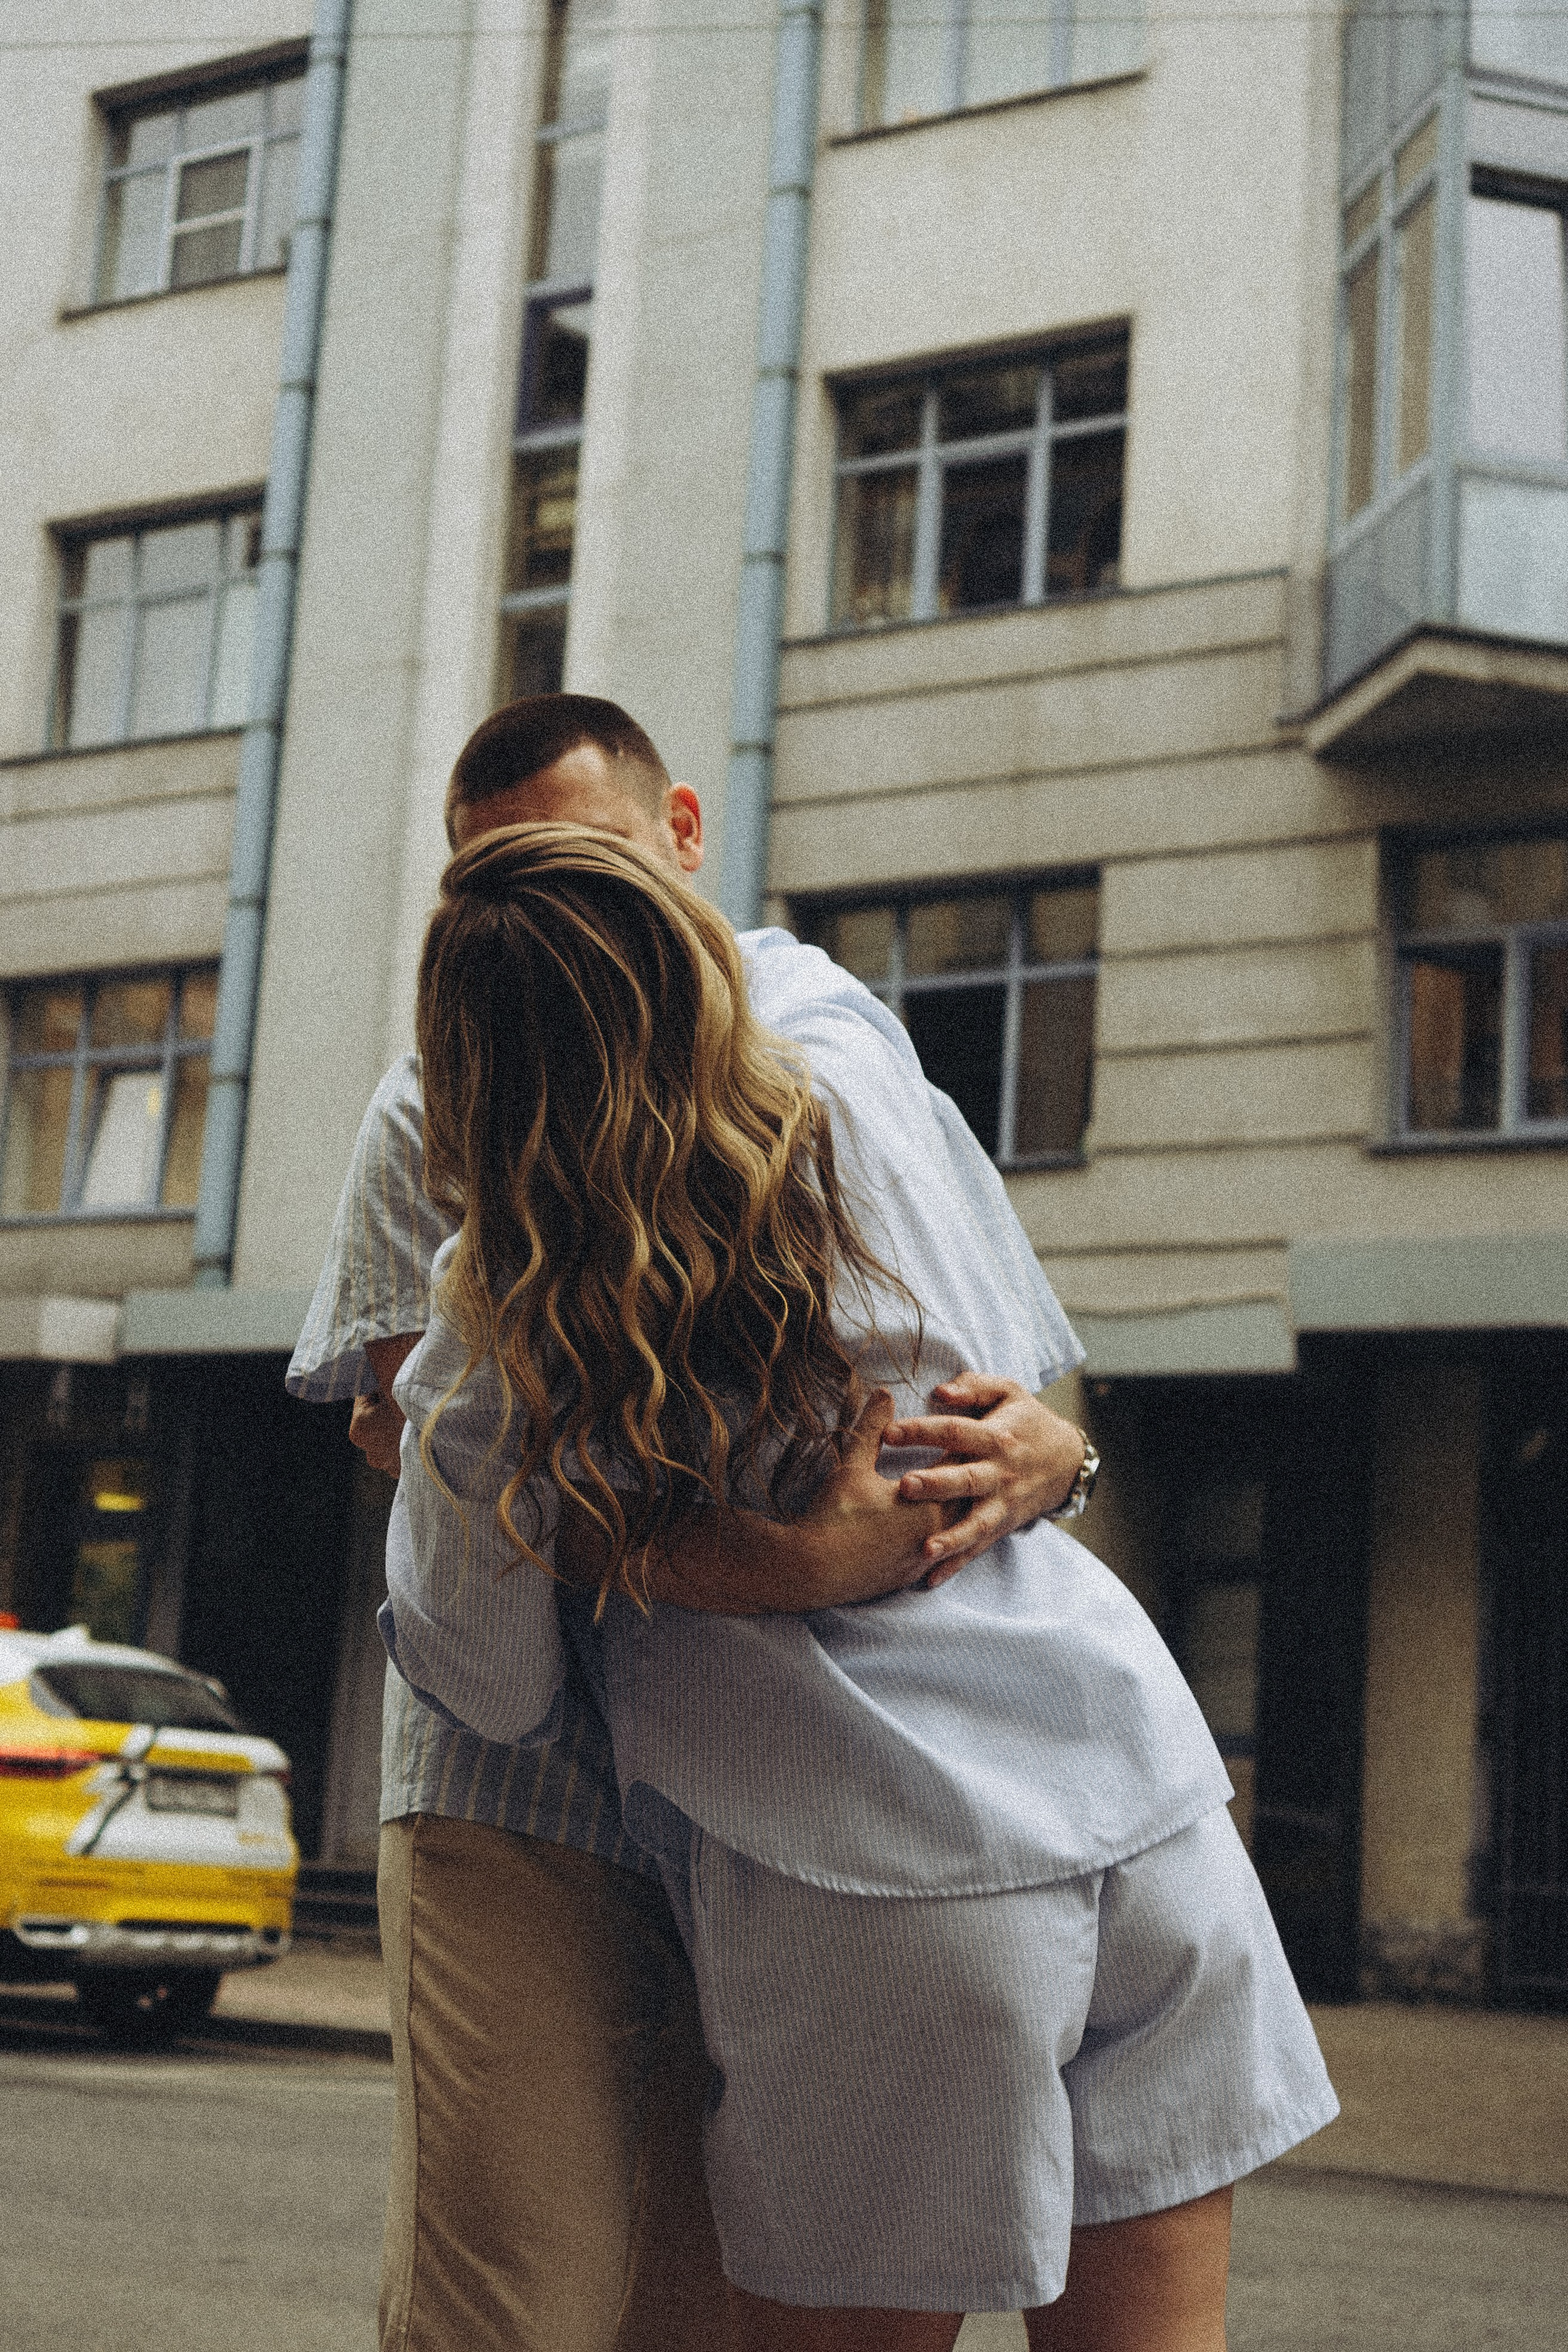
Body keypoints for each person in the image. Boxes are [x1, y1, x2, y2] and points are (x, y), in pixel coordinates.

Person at [386, 824, 1341, 2352]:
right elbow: (1017, 1388)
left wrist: (610, 1534)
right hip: (1137, 1798)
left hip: (884, 1877)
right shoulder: (864, 1109)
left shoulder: (510, 1324)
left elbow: (478, 1673)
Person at [287, 695, 1092, 2352]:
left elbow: (1009, 1388)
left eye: (577, 860)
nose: (542, 918)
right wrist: (784, 1554)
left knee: (703, 2304)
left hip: (788, 1778)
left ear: (683, 839)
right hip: (532, 1790)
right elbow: (461, 1488)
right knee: (516, 2304)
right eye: (492, 882)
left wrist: (1048, 1462)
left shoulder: (839, 1051)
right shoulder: (433, 1104)